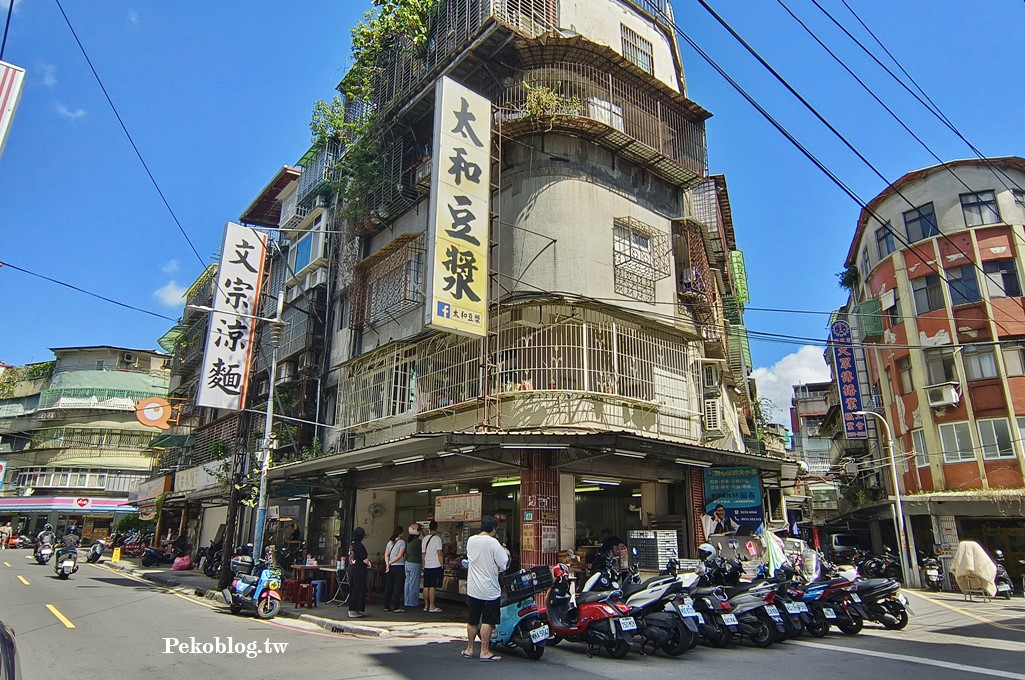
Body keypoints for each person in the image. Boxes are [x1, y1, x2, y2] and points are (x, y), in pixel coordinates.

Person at [461, 516, 509, 662]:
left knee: (473, 620)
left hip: (473, 588)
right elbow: (504, 562)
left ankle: (469, 649)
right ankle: (484, 651)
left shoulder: (471, 540)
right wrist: (503, 549)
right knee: (487, 620)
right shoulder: (493, 543)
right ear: (493, 529)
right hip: (490, 589)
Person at [347, 527, 372, 618]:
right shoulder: (359, 546)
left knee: (353, 589)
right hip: (359, 570)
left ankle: (353, 609)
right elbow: (365, 559)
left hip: (351, 569)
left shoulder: (351, 545)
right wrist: (369, 563)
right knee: (358, 590)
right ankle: (354, 610)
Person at [421, 520, 444, 613]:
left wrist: (424, 564)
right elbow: (440, 553)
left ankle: (426, 605)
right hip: (435, 565)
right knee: (432, 586)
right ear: (437, 527)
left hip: (427, 565)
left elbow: (423, 553)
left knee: (426, 586)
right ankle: (432, 606)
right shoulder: (437, 539)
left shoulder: (425, 539)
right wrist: (442, 564)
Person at [383, 526, 406, 613]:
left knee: (389, 586)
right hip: (398, 566)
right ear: (401, 533)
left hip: (390, 567)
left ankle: (386, 606)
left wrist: (387, 563)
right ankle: (396, 607)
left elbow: (386, 554)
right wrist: (392, 562)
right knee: (397, 587)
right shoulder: (402, 542)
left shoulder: (390, 542)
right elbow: (400, 556)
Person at [403, 523, 423, 610]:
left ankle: (407, 601)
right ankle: (413, 602)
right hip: (415, 563)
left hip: (407, 563)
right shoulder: (418, 542)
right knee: (414, 584)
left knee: (407, 583)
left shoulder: (408, 541)